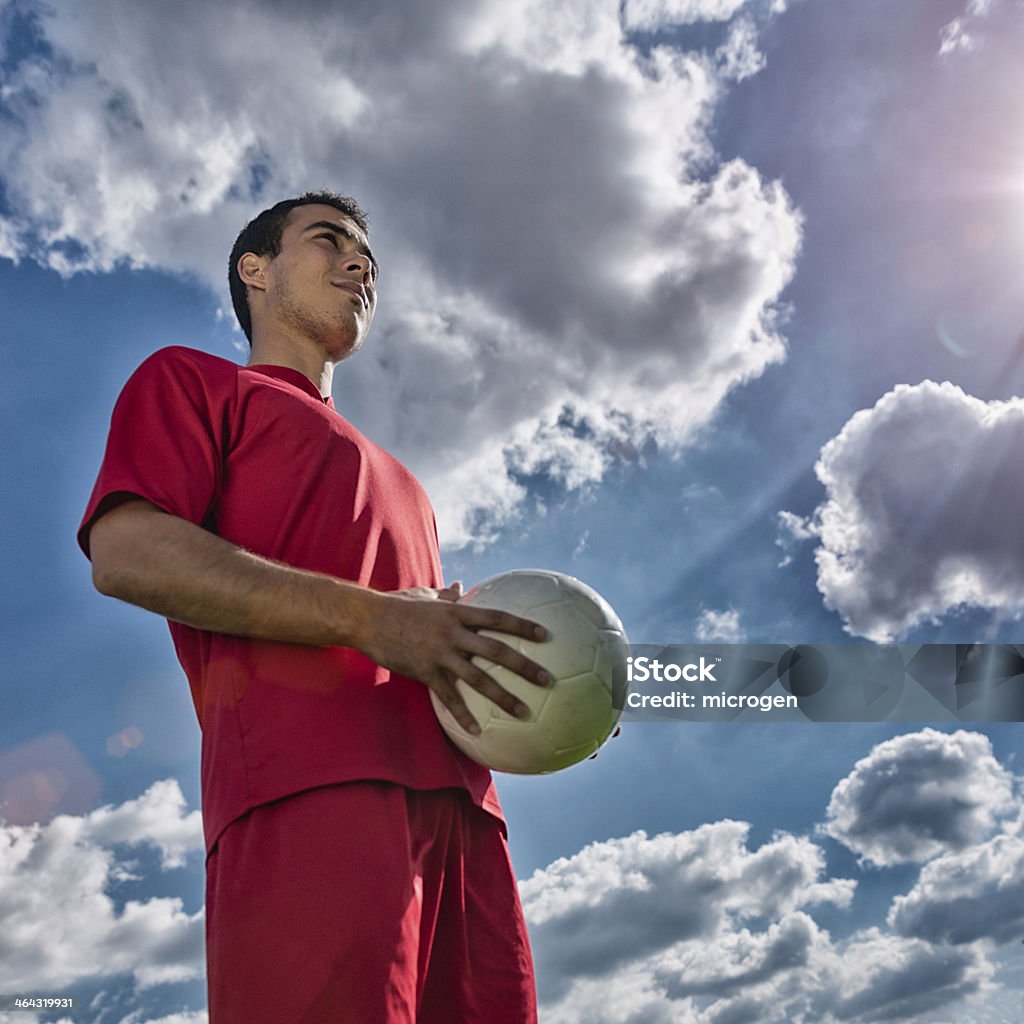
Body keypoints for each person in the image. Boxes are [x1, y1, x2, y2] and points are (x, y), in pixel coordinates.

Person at [78, 191, 548, 1023]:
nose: (360, 264)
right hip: (310, 796)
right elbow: (127, 553)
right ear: (253, 270)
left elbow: (427, 639)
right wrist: (373, 621)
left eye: (367, 255)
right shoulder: (194, 383)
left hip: (468, 822)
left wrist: (546, 690)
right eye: (328, 241)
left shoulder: (409, 483)